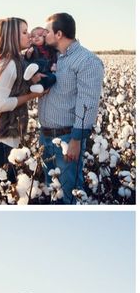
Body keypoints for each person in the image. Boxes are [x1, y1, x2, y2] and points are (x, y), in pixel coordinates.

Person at [37, 13, 104, 204]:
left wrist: (76, 140)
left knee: (69, 193)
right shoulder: (54, 57)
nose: (44, 35)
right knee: (52, 191)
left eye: (47, 31)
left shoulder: (87, 61)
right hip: (46, 136)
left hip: (67, 139)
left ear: (58, 34)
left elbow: (87, 103)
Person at [0, 17, 44, 192]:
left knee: (5, 180)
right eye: (24, 32)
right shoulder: (7, 64)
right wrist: (31, 95)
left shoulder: (14, 60)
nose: (29, 35)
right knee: (1, 183)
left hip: (4, 130)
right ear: (11, 37)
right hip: (0, 131)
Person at [23, 26, 58, 92]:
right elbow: (27, 59)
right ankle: (29, 72)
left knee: (53, 78)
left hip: (46, 71)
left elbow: (54, 56)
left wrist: (54, 64)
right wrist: (28, 54)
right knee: (40, 62)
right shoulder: (32, 48)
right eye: (33, 36)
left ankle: (41, 87)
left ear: (45, 38)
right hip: (35, 69)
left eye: (39, 35)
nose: (36, 37)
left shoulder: (49, 48)